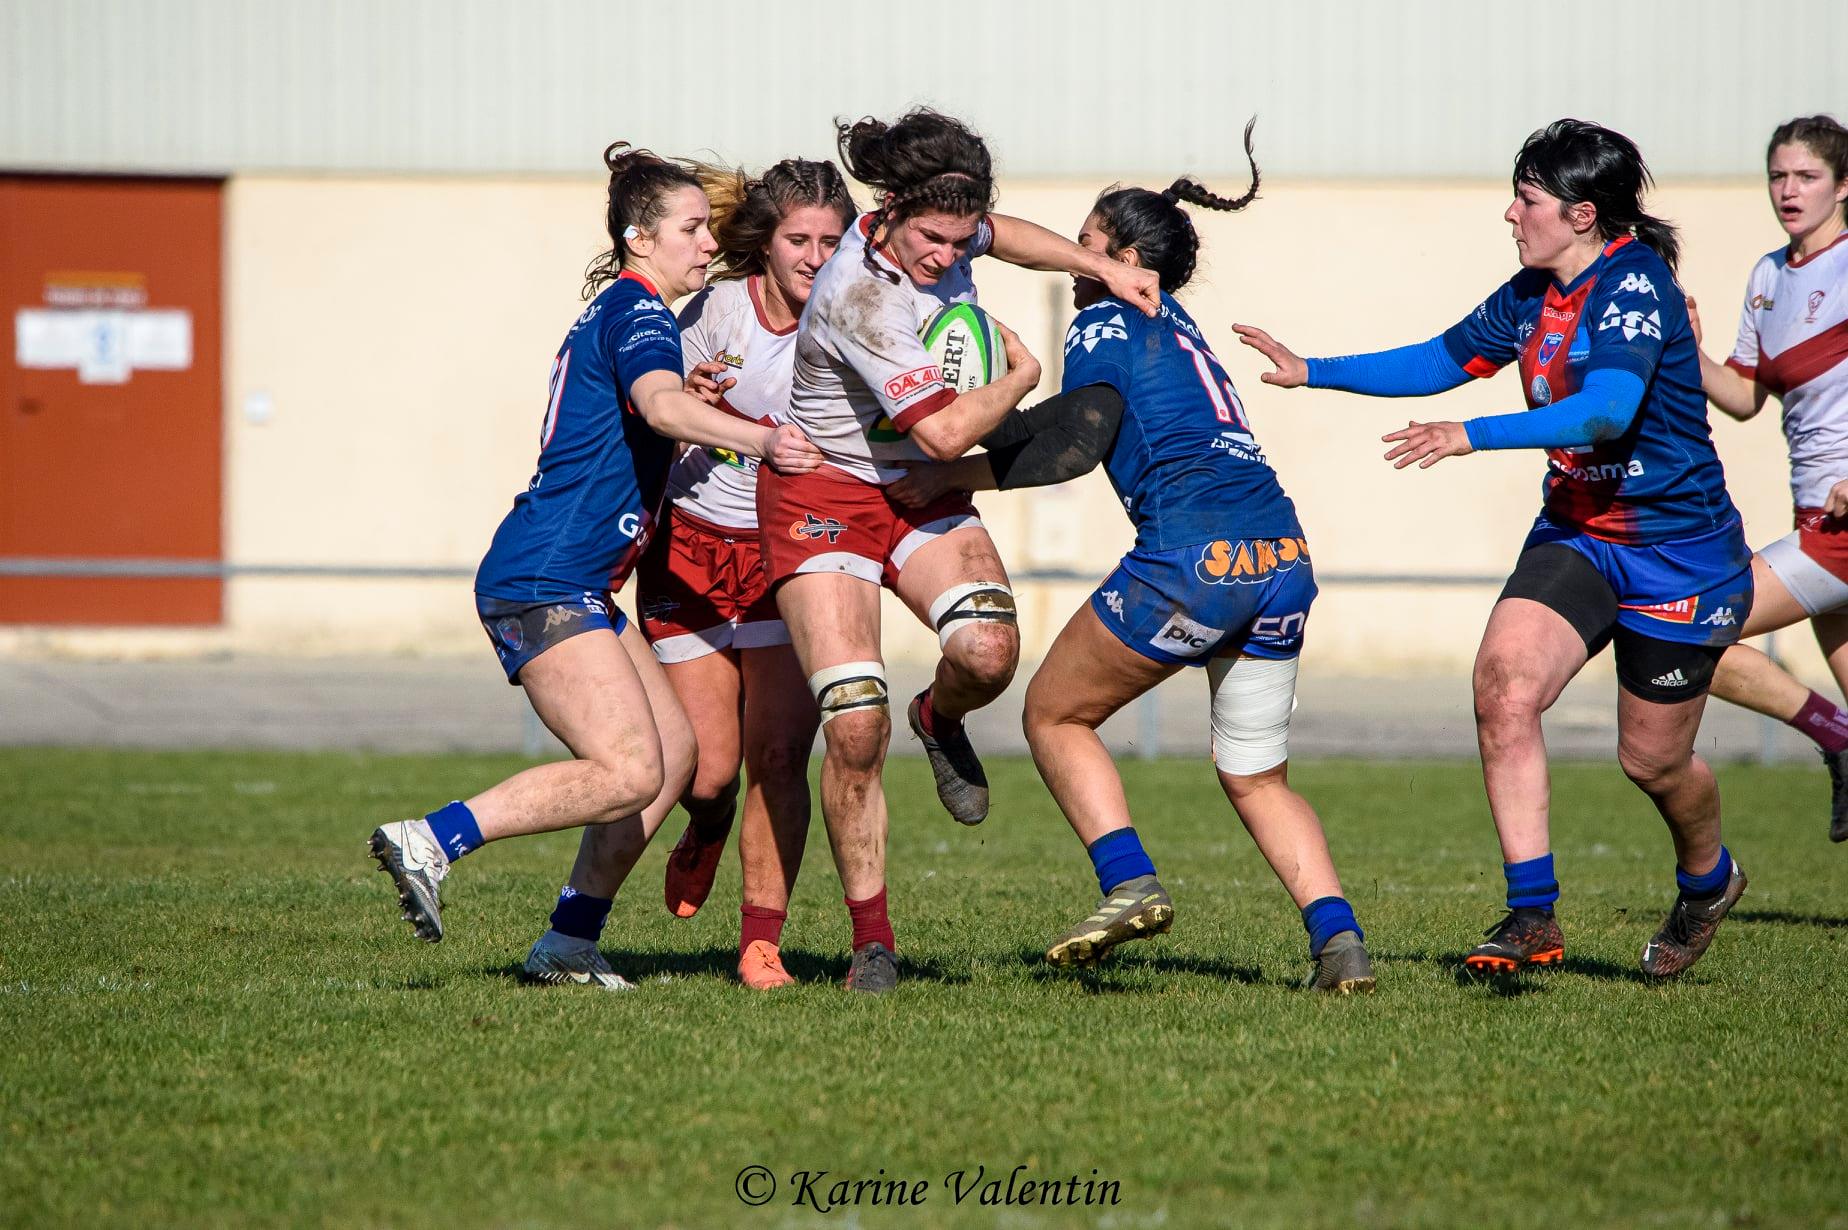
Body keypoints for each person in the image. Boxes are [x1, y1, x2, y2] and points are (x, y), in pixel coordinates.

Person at [1236, 119, 1751, 980]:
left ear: (1583, 214)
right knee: (1504, 684)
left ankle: (1708, 880)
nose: (1512, 214)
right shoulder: (1529, 293)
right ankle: (1531, 915)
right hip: (1580, 534)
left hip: (1679, 553)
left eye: (1529, 198)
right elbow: (1442, 357)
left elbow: (1605, 414)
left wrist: (1469, 436)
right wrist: (1312, 368)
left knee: (1652, 760)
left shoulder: (1635, 286)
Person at [893, 127, 1377, 992]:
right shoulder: (1172, 319)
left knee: (1052, 714)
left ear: (1122, 257)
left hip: (1194, 561)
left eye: (1085, 244)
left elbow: (1077, 441)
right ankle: (1340, 945)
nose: (1072, 260)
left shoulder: (1105, 318)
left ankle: (1127, 884)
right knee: (1256, 777)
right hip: (1284, 559)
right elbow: (1066, 409)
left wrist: (945, 475)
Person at [367, 143, 821, 991]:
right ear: (638, 238)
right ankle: (431, 839)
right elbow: (656, 402)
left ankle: (571, 940)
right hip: (544, 578)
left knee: (676, 756)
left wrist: (699, 402)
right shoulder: (642, 312)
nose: (705, 243)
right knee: (627, 769)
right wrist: (762, 439)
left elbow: (655, 406)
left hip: (577, 582)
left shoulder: (623, 313)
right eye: (689, 229)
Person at [760, 107, 1163, 992]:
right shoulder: (860, 294)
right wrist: (1021, 380)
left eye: (957, 239)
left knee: (988, 652)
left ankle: (938, 718)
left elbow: (1003, 235)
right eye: (932, 240)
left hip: (915, 493)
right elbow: (946, 436)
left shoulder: (950, 221)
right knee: (854, 721)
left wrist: (1099, 266)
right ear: (892, 209)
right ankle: (873, 941)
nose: (948, 256)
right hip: (825, 494)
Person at [554, 157, 855, 992]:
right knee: (705, 768)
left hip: (781, 554)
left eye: (832, 242)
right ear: (767, 242)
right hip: (690, 543)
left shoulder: (859, 323)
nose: (815, 256)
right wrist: (700, 397)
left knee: (782, 750)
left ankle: (762, 941)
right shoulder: (715, 310)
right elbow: (658, 405)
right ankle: (708, 822)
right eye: (799, 238)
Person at [1687, 115, 1848, 842]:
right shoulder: (1767, 275)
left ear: (1843, 185)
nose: (1789, 190)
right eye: (1778, 176)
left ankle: (1836, 737)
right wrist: (1686, 350)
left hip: (1838, 531)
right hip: (1814, 513)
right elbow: (1746, 398)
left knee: (1690, 628)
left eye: (1807, 176)